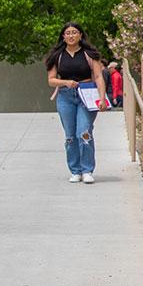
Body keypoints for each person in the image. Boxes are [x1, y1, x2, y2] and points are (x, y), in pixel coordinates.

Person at [45, 22, 110, 184]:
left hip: (86, 95)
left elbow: (98, 77)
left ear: (80, 35)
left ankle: (87, 170)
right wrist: (66, 82)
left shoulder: (90, 54)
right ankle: (75, 170)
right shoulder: (57, 56)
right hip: (66, 97)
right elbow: (51, 80)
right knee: (70, 136)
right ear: (63, 36)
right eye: (68, 33)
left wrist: (102, 98)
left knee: (84, 132)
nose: (71, 35)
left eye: (75, 32)